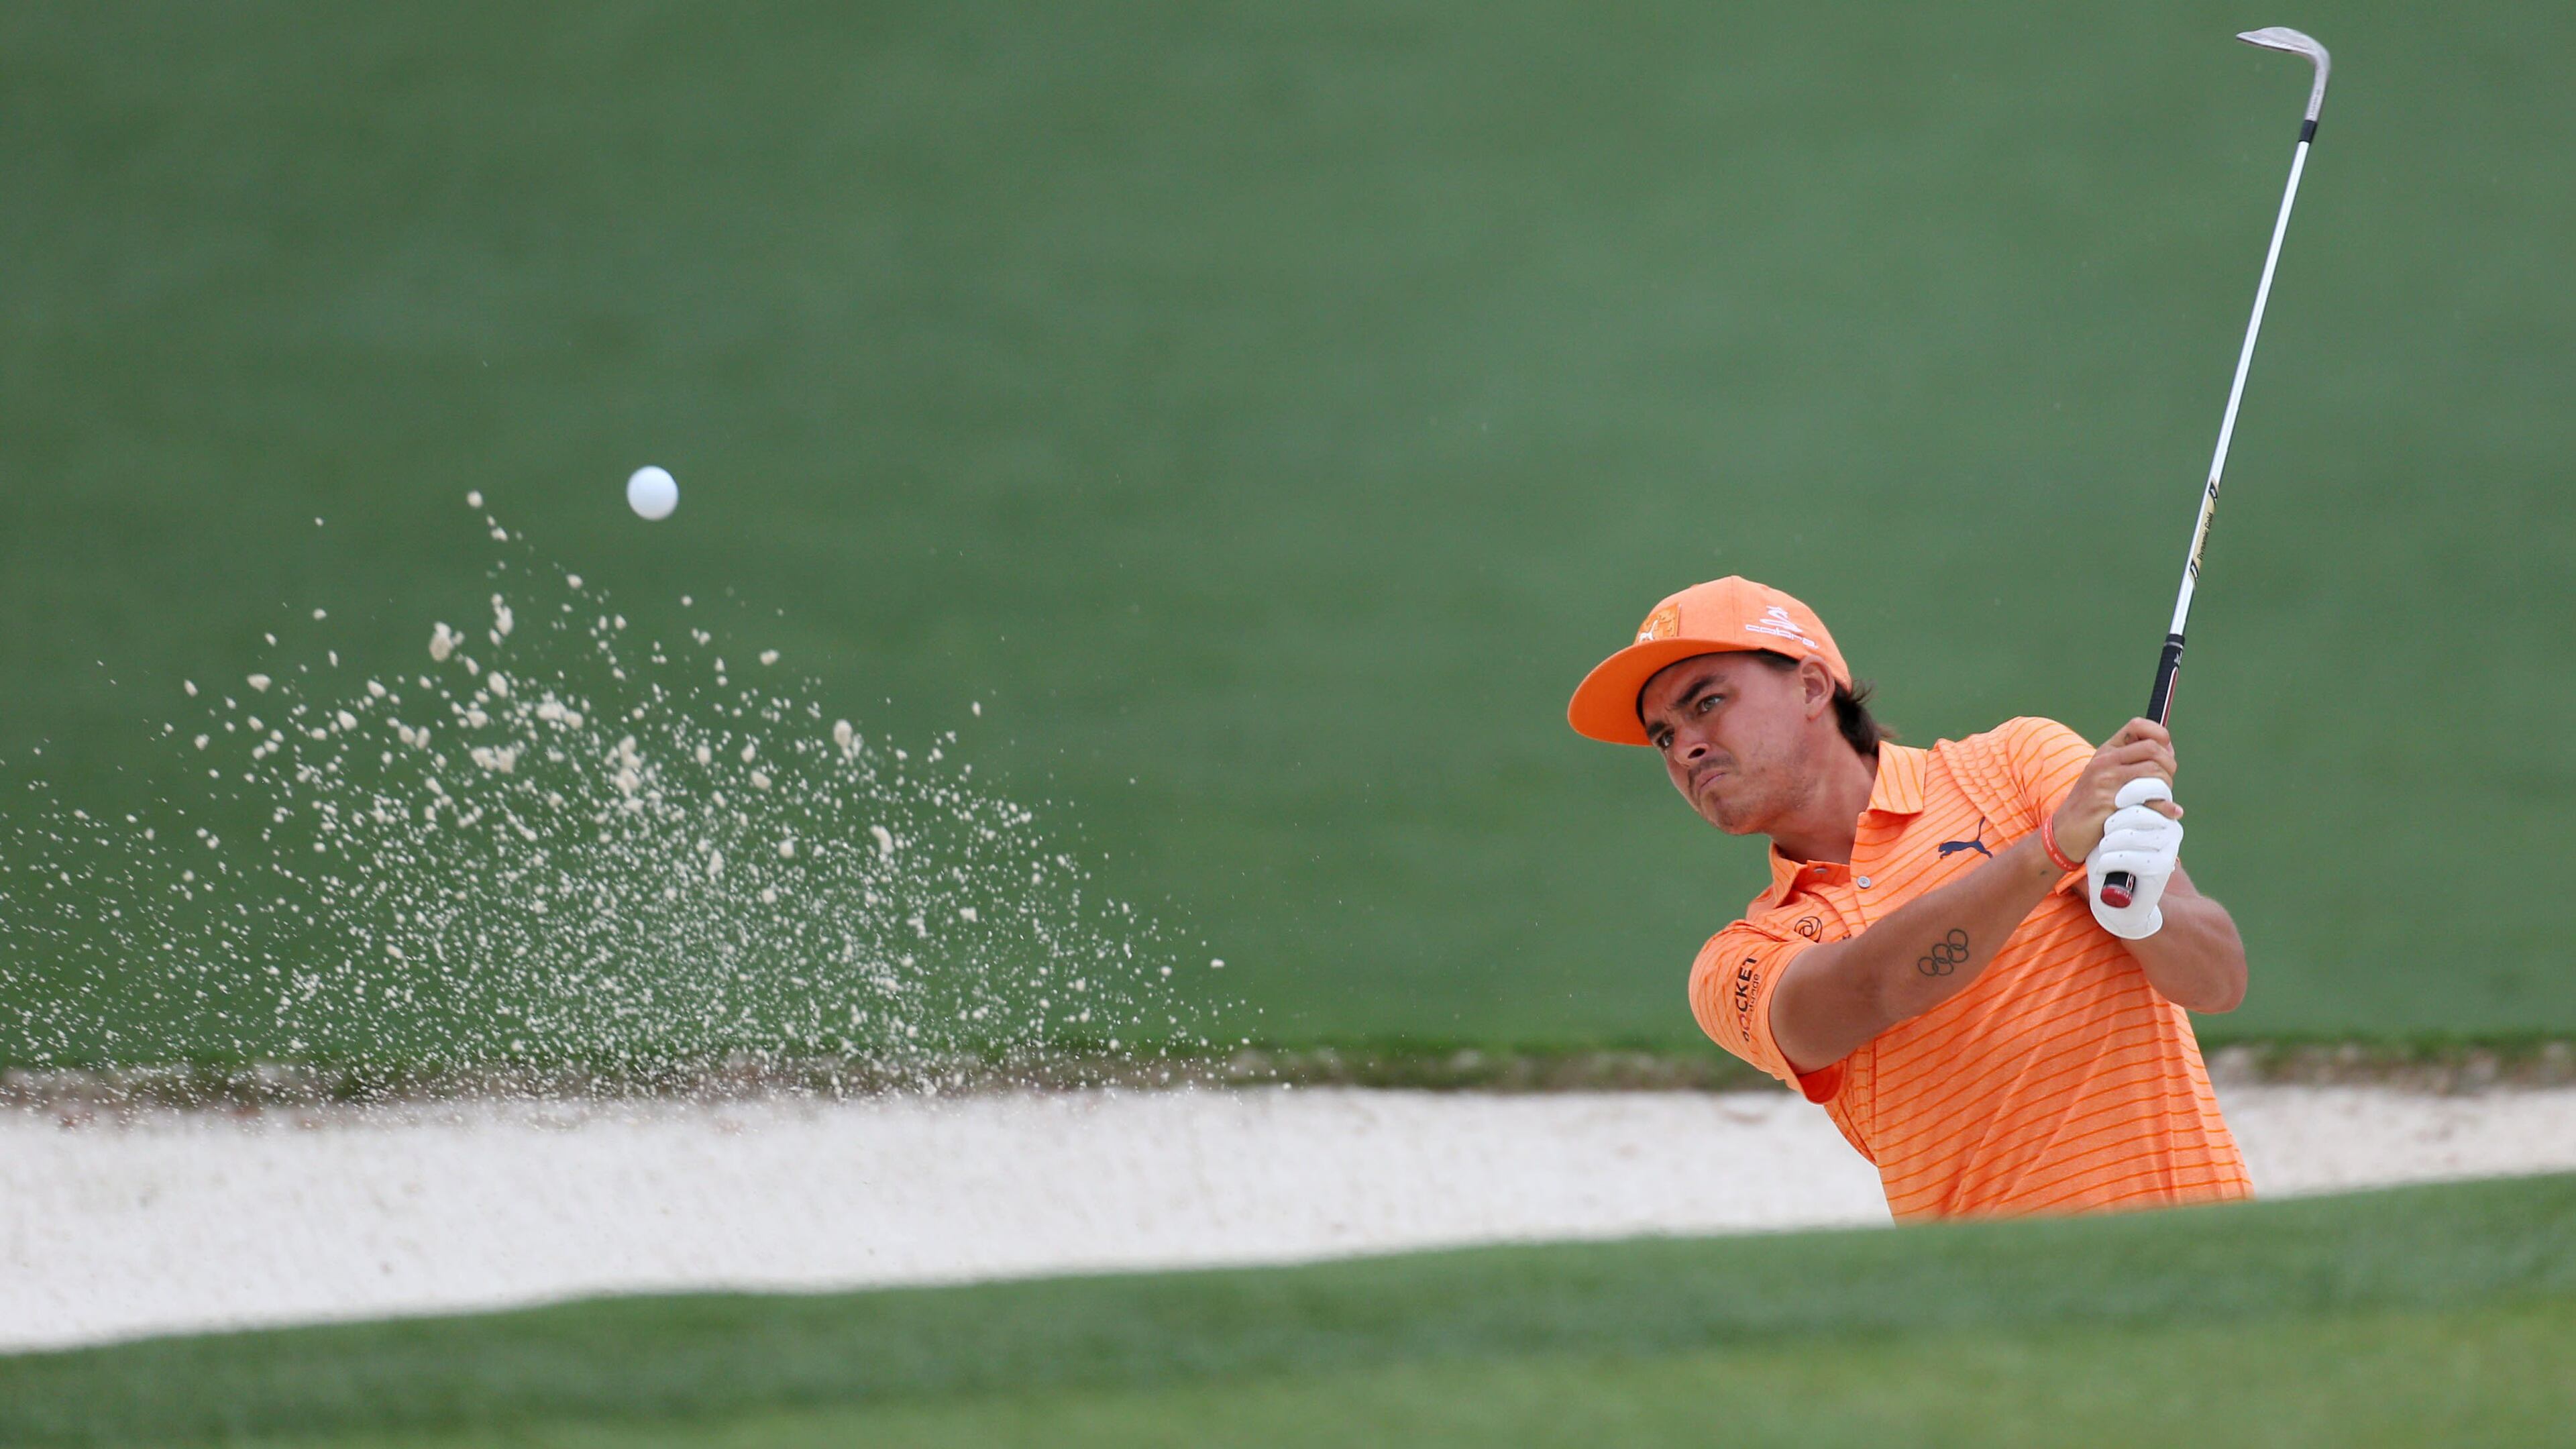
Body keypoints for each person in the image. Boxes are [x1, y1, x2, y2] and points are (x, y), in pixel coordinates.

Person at [1567, 576, 2251, 1220]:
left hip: (2201, 1263)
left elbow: (2219, 981)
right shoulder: (1737, 962)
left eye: (1707, 704)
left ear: (1811, 687)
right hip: (2007, 1326)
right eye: (1663, 736)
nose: (1684, 747)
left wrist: (2146, 919)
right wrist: (2049, 851)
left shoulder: (2018, 763)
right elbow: (1872, 990)